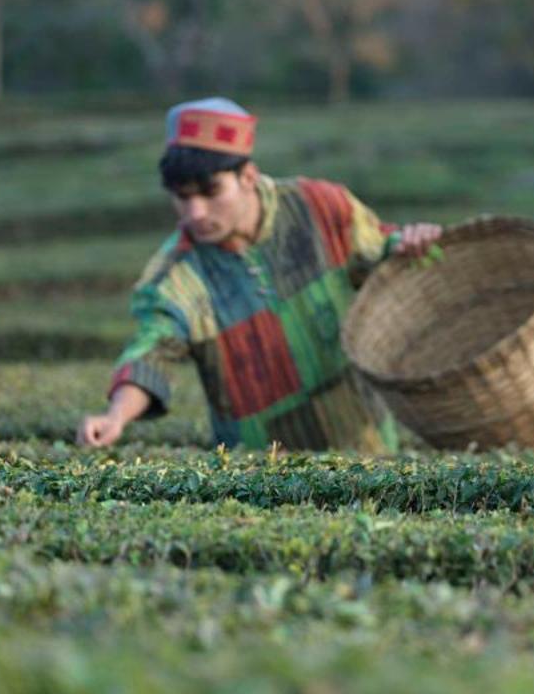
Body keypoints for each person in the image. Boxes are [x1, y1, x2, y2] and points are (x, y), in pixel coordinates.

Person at [76, 97, 443, 452]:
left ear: (247, 176)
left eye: (210, 192)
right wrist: (116, 417)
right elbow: (153, 352)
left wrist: (408, 244)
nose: (195, 213)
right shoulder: (175, 277)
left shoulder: (321, 208)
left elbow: (382, 256)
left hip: (367, 451)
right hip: (261, 480)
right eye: (182, 197)